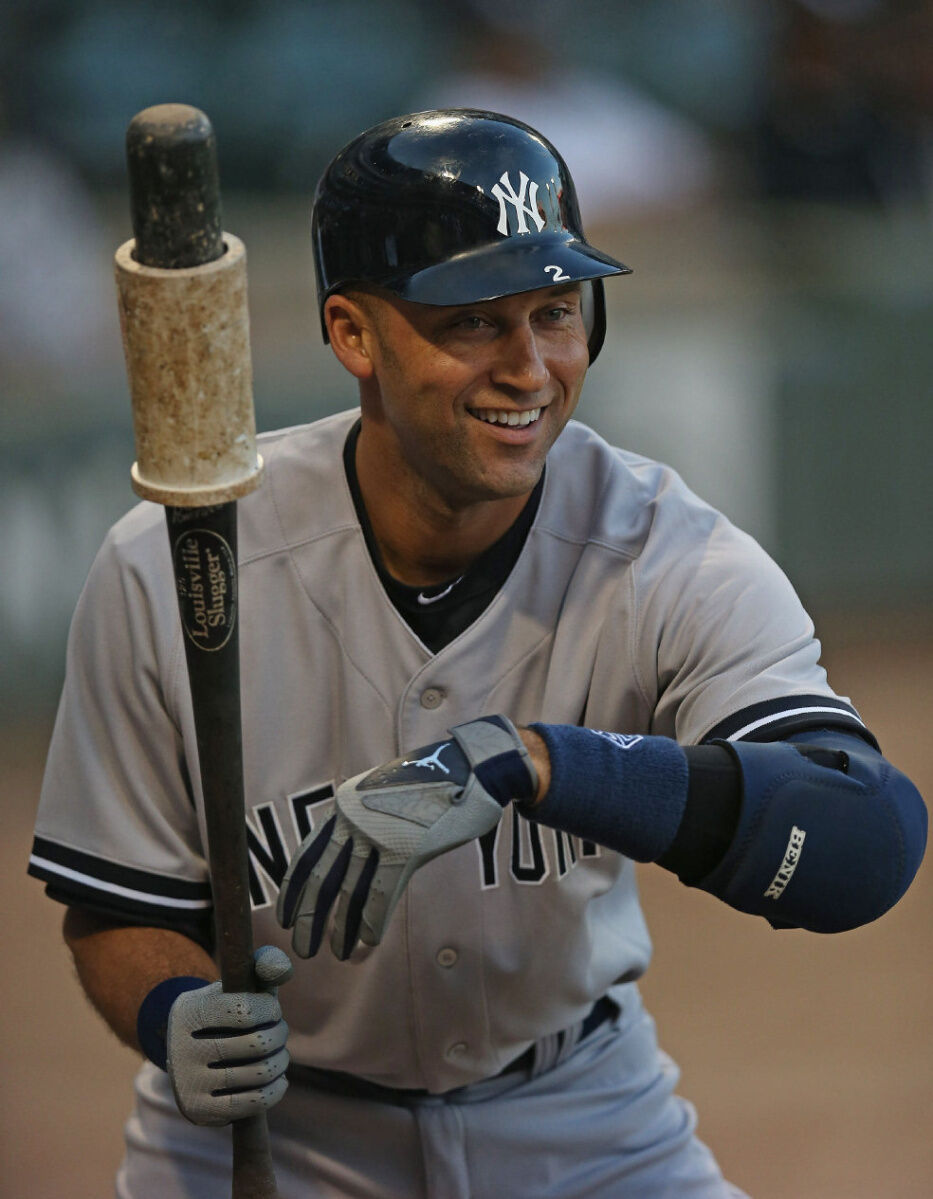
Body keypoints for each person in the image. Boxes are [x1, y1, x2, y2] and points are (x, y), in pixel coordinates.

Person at [29, 109, 926, 1199]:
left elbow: (862, 838)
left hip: (585, 1120)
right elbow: (116, 906)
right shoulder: (180, 565)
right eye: (474, 322)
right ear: (355, 333)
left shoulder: (661, 550)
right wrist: (176, 1016)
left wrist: (536, 762)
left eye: (556, 311)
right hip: (270, 1139)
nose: (530, 365)